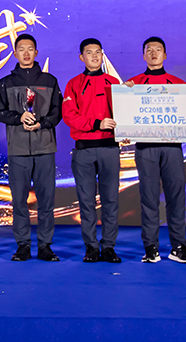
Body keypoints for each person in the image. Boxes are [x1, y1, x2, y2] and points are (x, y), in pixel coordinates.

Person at [0, 33, 63, 262]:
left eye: (30, 48)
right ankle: (23, 245)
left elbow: (58, 112)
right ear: (15, 53)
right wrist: (18, 117)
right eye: (21, 49)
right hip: (18, 149)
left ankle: (45, 246)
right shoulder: (6, 82)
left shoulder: (49, 81)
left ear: (36, 52)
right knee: (19, 201)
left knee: (46, 200)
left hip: (45, 148)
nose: (26, 52)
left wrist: (42, 123)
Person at [123, 36, 186, 264]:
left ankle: (178, 247)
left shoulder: (179, 84)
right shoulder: (133, 85)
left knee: (176, 197)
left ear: (165, 55)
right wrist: (124, 96)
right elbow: (125, 116)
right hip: (146, 148)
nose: (154, 53)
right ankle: (150, 247)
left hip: (172, 147)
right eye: (149, 50)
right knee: (149, 198)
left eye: (158, 50)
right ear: (143, 55)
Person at [62, 38, 122, 263]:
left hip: (109, 148)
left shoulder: (114, 82)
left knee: (110, 200)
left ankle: (109, 247)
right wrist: (97, 123)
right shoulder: (74, 84)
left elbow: (124, 113)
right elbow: (70, 116)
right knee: (86, 202)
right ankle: (91, 247)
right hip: (84, 150)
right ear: (82, 57)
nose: (94, 56)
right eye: (89, 52)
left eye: (98, 52)